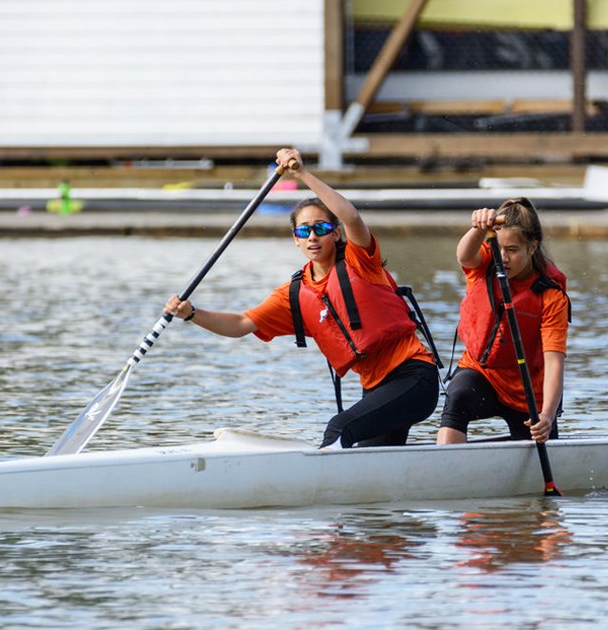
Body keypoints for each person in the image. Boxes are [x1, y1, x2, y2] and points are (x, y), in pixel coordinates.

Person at [165, 148, 439, 449]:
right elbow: (242, 323)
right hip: (374, 388)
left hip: (414, 378)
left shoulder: (360, 261)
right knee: (373, 458)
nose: (312, 236)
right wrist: (191, 313)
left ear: (335, 234)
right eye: (304, 230)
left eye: (321, 228)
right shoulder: (294, 294)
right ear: (295, 239)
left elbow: (350, 215)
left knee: (339, 427)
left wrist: (301, 174)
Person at [437, 198, 569, 445]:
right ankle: (448, 469)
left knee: (540, 438)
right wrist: (478, 227)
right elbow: (464, 256)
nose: (504, 258)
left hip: (528, 393)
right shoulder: (485, 263)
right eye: (500, 249)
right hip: (483, 375)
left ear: (533, 246)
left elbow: (554, 362)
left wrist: (548, 415)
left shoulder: (551, 296)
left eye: (513, 250)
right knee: (457, 395)